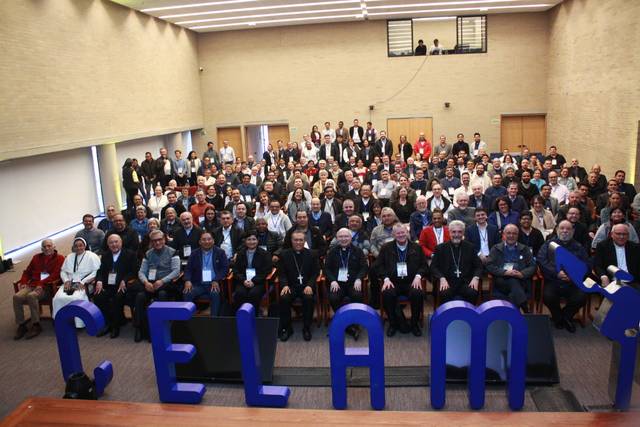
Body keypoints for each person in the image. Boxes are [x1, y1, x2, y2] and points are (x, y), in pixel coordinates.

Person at [376, 223, 428, 337]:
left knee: (418, 293)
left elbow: (424, 266)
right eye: (398, 233)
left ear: (407, 233)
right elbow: (379, 266)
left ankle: (414, 324)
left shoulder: (417, 247)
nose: (401, 235)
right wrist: (385, 279)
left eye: (403, 232)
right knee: (387, 293)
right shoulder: (386, 248)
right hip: (393, 281)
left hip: (411, 281)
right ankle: (393, 324)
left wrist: (418, 276)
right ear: (393, 234)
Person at [537, 220, 589, 332]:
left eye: (568, 229)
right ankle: (559, 317)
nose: (565, 231)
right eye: (562, 228)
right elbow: (541, 261)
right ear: (557, 230)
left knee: (582, 297)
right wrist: (556, 273)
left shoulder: (578, 246)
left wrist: (573, 275)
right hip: (554, 280)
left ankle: (564, 317)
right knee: (548, 297)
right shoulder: (548, 244)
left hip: (573, 282)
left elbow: (586, 264)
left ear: (573, 231)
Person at [13, 239, 64, 340]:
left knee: (32, 296)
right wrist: (23, 282)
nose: (47, 248)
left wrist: (41, 284)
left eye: (49, 246)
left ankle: (36, 324)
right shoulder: (36, 257)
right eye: (44, 247)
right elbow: (27, 272)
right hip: (32, 284)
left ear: (54, 247)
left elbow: (55, 275)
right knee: (17, 297)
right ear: (41, 248)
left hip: (46, 287)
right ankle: (21, 324)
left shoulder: (59, 258)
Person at [136, 230, 181, 341]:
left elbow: (176, 271)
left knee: (162, 294)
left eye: (160, 240)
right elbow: (141, 272)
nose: (157, 243)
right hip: (150, 283)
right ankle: (141, 329)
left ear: (164, 239)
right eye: (154, 241)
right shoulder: (148, 253)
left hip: (166, 284)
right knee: (140, 297)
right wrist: (146, 282)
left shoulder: (173, 252)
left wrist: (162, 281)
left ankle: (162, 329)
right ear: (151, 242)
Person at [324, 228, 368, 338]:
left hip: (353, 283)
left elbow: (364, 267)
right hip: (337, 283)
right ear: (337, 238)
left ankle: (353, 322)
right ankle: (348, 325)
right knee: (333, 298)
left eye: (346, 236)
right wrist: (333, 280)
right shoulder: (332, 252)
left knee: (357, 295)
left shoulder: (358, 251)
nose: (344, 239)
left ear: (350, 238)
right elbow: (326, 269)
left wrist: (358, 278)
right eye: (341, 237)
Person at [278, 230, 321, 342]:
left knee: (308, 298)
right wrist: (284, 285)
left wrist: (310, 285)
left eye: (300, 240)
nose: (298, 242)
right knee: (284, 298)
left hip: (306, 286)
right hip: (291, 286)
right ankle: (287, 328)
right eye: (295, 240)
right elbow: (281, 273)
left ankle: (306, 328)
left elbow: (315, 272)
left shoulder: (312, 254)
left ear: (304, 241)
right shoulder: (284, 254)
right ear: (291, 241)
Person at [93, 234, 138, 338]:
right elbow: (100, 271)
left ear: (121, 242)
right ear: (108, 245)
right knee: (98, 296)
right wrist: (99, 281)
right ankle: (108, 323)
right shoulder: (105, 255)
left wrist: (125, 280)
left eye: (116, 242)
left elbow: (134, 271)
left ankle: (115, 326)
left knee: (117, 298)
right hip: (108, 285)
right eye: (111, 242)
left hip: (122, 286)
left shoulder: (130, 254)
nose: (114, 244)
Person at [486, 224, 536, 312]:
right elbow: (489, 265)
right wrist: (505, 272)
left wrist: (522, 274)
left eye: (514, 233)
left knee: (514, 287)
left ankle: (512, 315)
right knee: (513, 280)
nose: (511, 236)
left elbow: (533, 266)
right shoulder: (496, 248)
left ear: (518, 235)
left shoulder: (525, 249)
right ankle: (525, 307)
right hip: (502, 280)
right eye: (508, 233)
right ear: (504, 235)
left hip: (520, 280)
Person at [53, 237, 101, 328]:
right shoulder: (70, 256)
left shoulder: (92, 256)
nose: (78, 248)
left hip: (85, 283)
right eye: (76, 246)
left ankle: (78, 323)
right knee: (58, 298)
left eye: (81, 245)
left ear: (84, 246)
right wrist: (66, 280)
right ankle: (62, 321)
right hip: (69, 283)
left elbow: (95, 272)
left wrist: (83, 282)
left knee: (75, 298)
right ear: (73, 247)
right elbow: (63, 271)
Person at [431, 220, 483, 305]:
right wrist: (441, 278)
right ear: (449, 232)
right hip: (448, 282)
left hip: (465, 283)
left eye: (459, 232)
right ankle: (447, 318)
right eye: (453, 232)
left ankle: (469, 317)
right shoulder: (440, 248)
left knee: (472, 292)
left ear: (463, 233)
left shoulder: (470, 247)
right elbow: (433, 267)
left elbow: (479, 266)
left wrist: (476, 278)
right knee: (444, 293)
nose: (456, 235)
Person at [183, 231, 229, 317]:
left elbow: (225, 268)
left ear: (213, 240)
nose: (207, 242)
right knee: (187, 292)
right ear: (199, 242)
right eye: (203, 240)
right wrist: (187, 280)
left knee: (215, 294)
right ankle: (189, 320)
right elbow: (188, 269)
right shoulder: (194, 253)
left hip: (213, 284)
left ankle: (214, 320)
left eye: (209, 239)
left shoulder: (220, 252)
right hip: (198, 284)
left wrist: (216, 279)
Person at [231, 231, 272, 313]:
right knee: (239, 293)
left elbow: (266, 270)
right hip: (243, 281)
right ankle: (241, 315)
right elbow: (235, 270)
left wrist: (254, 281)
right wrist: (243, 280)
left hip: (258, 282)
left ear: (258, 241)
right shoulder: (240, 253)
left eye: (254, 239)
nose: (251, 242)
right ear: (245, 241)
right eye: (249, 239)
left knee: (254, 293)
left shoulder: (265, 254)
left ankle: (254, 314)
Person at [594, 224, 640, 289]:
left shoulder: (635, 247)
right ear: (612, 234)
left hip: (632, 282)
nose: (621, 237)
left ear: (628, 235)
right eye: (618, 234)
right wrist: (603, 276)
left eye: (624, 234)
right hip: (612, 282)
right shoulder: (603, 246)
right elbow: (597, 265)